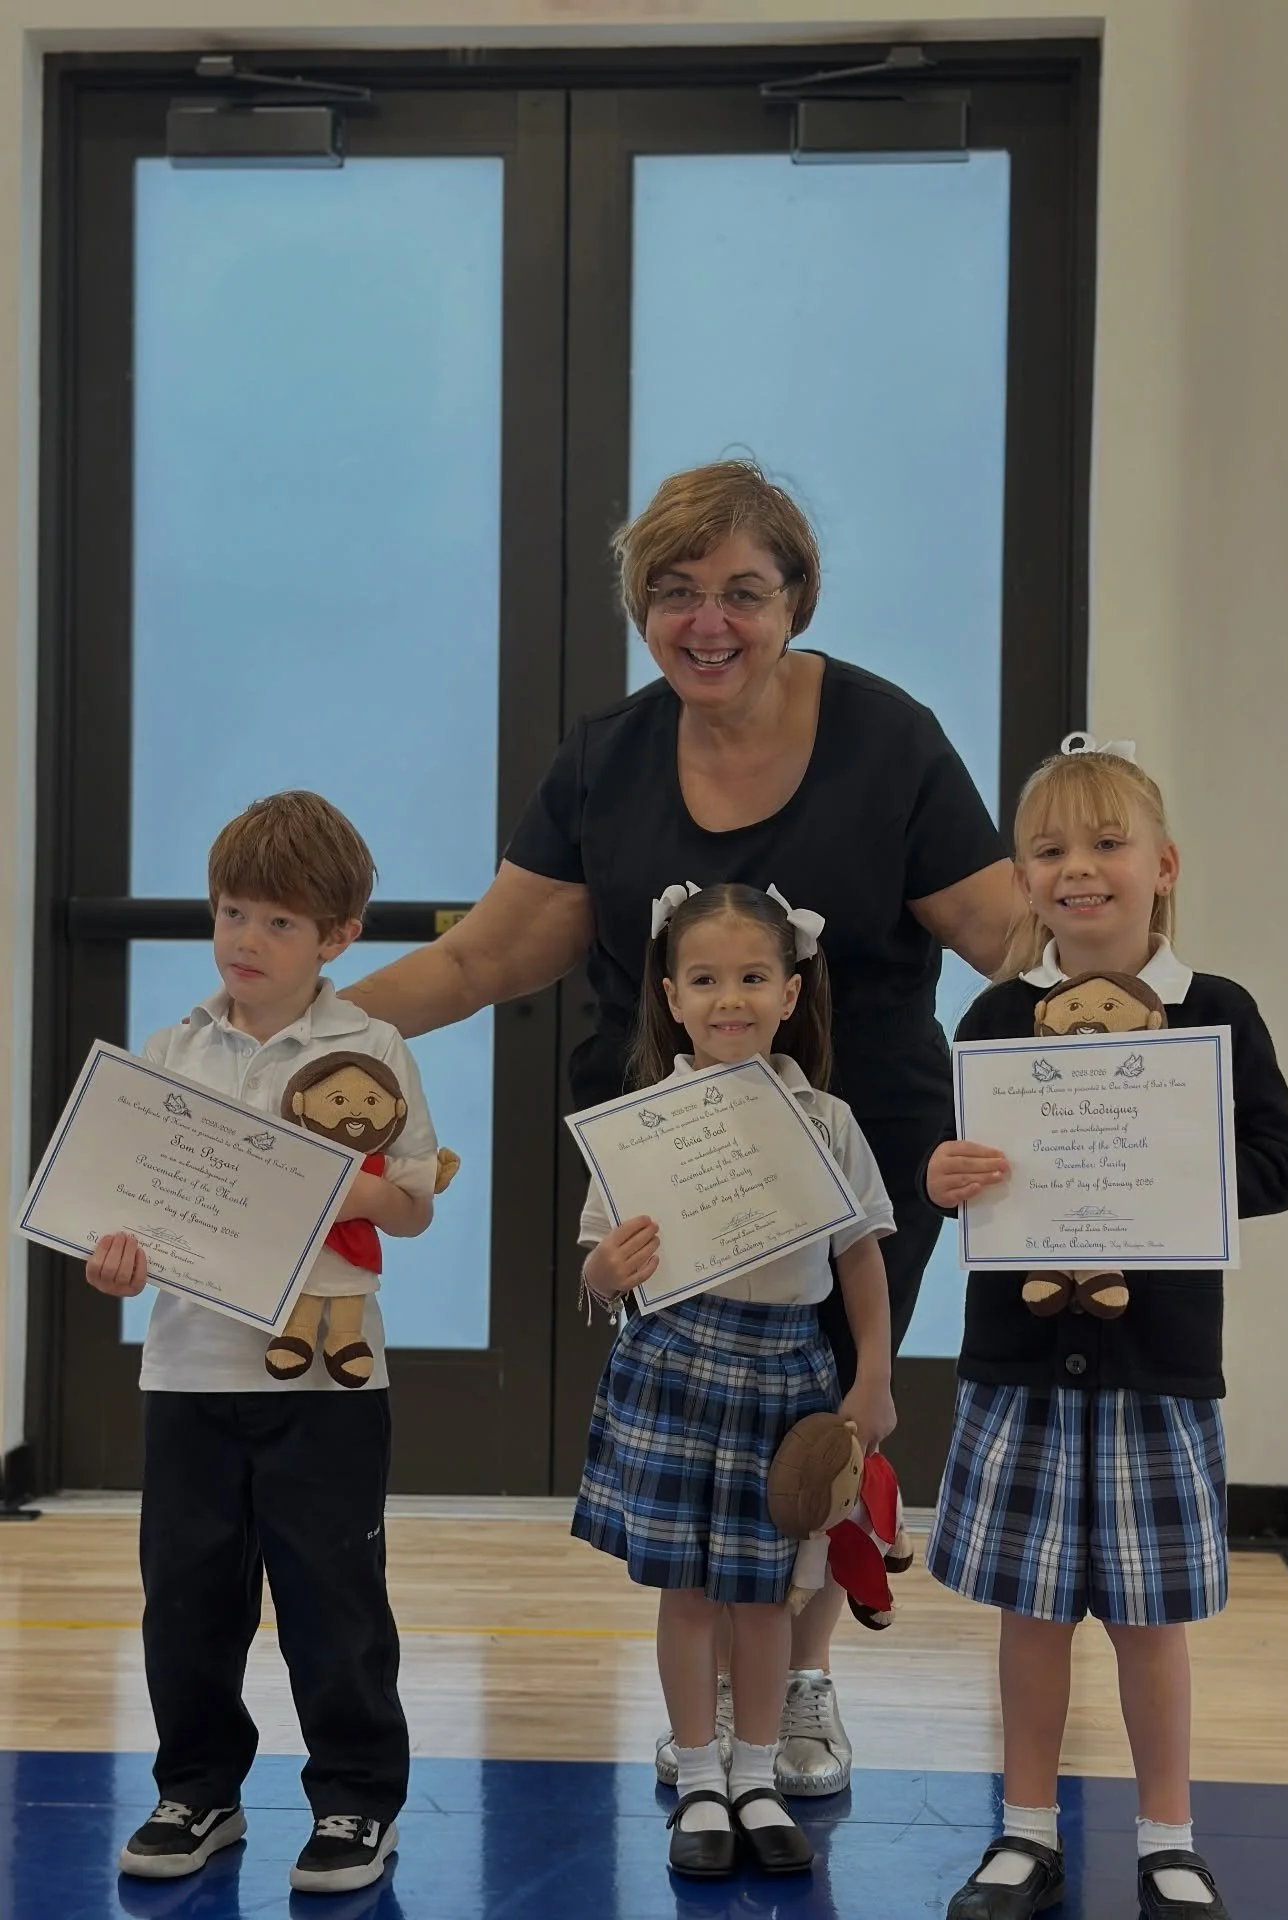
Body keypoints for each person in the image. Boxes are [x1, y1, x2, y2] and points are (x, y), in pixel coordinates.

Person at [341, 460, 1017, 1792]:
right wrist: (304, 1029)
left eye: (743, 592)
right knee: (709, 1438)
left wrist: (1148, 1016)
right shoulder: (607, 758)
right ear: (641, 608)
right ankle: (716, 1705)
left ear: (797, 600)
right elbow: (481, 959)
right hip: (672, 1170)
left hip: (858, 1148)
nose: (709, 622)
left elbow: (1013, 942)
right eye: (676, 592)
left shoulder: (891, 740)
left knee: (819, 1432)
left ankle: (799, 1688)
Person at [923, 738, 1288, 1920]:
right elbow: (962, 1166)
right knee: (1030, 1615)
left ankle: (1168, 1838)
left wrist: (1175, 1165)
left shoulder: (1217, 1012)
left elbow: (1281, 1165)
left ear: (1164, 866)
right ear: (1023, 881)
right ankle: (1025, 1830)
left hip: (1159, 1374)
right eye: (1049, 851)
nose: (1078, 868)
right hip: (1021, 1368)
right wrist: (942, 1175)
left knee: (1151, 1622)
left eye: (1106, 844)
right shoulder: (994, 1016)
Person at [83, 792, 438, 1897]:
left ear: (338, 937)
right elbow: (129, 1210)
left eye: (280, 922)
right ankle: (197, 1790)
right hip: (188, 1371)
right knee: (186, 1599)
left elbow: (414, 1205)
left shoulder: (371, 1048)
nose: (247, 938)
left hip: (330, 1383)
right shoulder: (171, 1050)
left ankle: (355, 1802)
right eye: (233, 912)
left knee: (335, 1601)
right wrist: (116, 1261)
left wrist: (335, 1181)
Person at [573, 882, 894, 1878]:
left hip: (787, 1372)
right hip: (673, 1368)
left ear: (790, 994)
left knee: (765, 1596)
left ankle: (757, 1778)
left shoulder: (828, 1122)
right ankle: (701, 1781)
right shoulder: (641, 1127)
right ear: (671, 997)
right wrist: (605, 1271)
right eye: (705, 980)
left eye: (754, 977)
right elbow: (598, 1265)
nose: (730, 999)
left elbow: (860, 1257)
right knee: (687, 1594)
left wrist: (874, 1378)